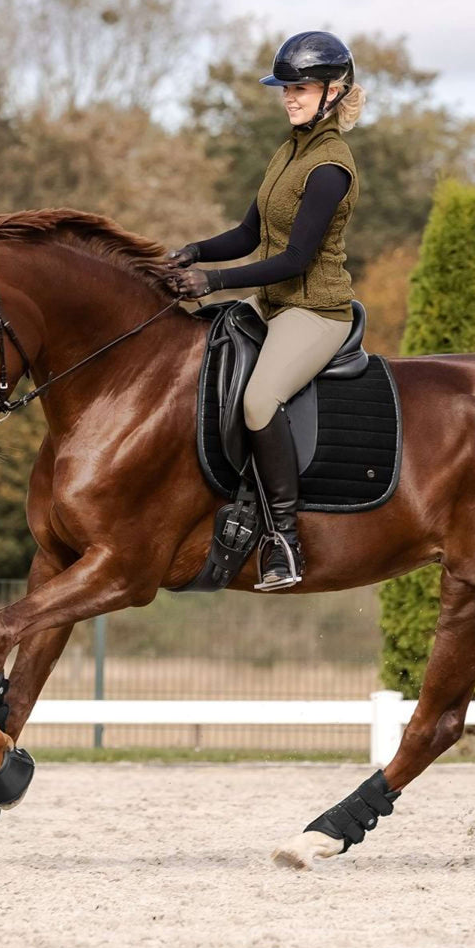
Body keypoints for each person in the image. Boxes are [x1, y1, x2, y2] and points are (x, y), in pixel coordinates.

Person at [163, 30, 366, 590]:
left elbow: (297, 259)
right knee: (198, 355)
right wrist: (196, 251)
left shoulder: (330, 166)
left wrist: (215, 280)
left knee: (258, 400)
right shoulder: (287, 153)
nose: (289, 98)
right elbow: (249, 233)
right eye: (285, 88)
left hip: (315, 311)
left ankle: (283, 538)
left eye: (300, 88)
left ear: (333, 91)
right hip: (273, 303)